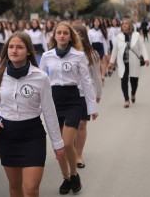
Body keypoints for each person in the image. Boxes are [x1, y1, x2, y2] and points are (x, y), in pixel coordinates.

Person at [0, 31, 64, 197]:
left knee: (30, 189)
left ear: (28, 51)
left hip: (33, 135)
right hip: (9, 135)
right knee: (15, 186)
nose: (14, 50)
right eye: (11, 47)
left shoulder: (41, 77)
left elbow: (49, 112)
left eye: (19, 47)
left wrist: (57, 142)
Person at [40, 21, 98, 195]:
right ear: (54, 36)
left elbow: (86, 82)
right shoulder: (47, 56)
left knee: (66, 143)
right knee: (58, 145)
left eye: (66, 33)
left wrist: (92, 106)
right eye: (59, 33)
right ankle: (67, 177)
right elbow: (39, 80)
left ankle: (74, 173)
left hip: (74, 100)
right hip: (54, 100)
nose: (62, 36)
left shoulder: (78, 56)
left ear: (70, 36)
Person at [73, 24, 101, 169]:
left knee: (82, 123)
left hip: (85, 93)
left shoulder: (92, 54)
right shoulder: (64, 53)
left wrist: (97, 95)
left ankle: (78, 154)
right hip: (68, 94)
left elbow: (96, 76)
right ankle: (70, 149)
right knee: (69, 125)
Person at [108, 19, 150, 108]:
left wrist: (146, 59)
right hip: (123, 63)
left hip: (134, 62)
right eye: (123, 24)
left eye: (126, 24)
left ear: (130, 25)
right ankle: (126, 99)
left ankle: (133, 93)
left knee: (134, 82)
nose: (124, 25)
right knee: (124, 81)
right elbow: (115, 50)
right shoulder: (119, 37)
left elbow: (142, 47)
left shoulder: (137, 35)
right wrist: (111, 62)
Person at [88, 18, 108, 84]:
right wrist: (90, 50)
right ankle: (98, 76)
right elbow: (89, 41)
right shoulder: (90, 31)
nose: (96, 23)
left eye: (98, 21)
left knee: (102, 61)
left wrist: (106, 52)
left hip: (100, 46)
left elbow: (105, 41)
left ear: (100, 23)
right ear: (93, 22)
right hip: (93, 47)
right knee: (96, 62)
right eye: (95, 21)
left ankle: (102, 76)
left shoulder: (102, 31)